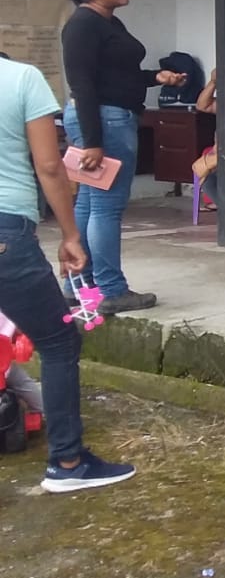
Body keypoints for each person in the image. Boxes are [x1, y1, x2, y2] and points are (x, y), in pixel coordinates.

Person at [0, 53, 136, 491]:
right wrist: (70, 235)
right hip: (5, 231)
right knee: (59, 341)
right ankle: (68, 462)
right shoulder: (22, 78)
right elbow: (49, 166)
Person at [60, 0, 188, 314]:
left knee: (89, 204)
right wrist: (93, 142)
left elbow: (116, 74)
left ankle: (78, 286)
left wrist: (156, 77)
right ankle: (111, 290)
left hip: (105, 117)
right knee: (105, 207)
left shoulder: (108, 22)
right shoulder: (83, 25)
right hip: (104, 122)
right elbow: (83, 85)